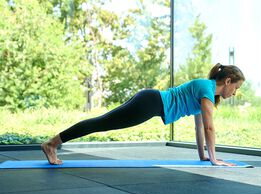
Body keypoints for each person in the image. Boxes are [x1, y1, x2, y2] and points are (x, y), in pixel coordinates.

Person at [41, 63, 245, 166]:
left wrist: (204, 155)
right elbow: (210, 128)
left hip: (150, 101)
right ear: (227, 81)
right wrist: (215, 160)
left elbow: (200, 126)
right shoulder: (206, 89)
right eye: (236, 88)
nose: (235, 93)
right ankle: (52, 143)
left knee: (102, 122)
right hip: (151, 102)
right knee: (101, 123)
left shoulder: (207, 92)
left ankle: (53, 143)